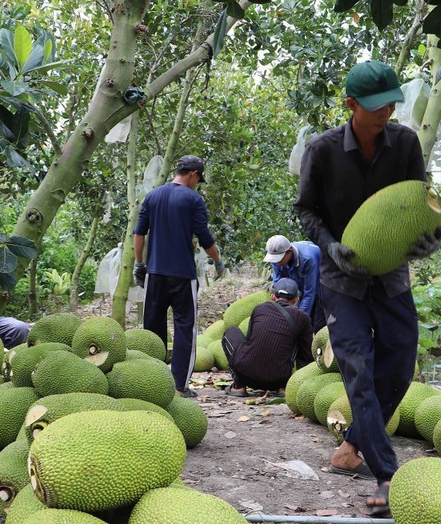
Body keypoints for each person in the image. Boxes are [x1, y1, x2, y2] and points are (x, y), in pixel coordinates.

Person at [294, 60, 441, 516]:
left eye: (391, 104)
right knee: (358, 368)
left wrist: (428, 239)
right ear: (351, 105)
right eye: (376, 107)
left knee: (400, 364)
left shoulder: (404, 144)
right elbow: (306, 211)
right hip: (342, 278)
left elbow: (421, 203)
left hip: (392, 274)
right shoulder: (322, 151)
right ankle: (386, 473)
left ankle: (354, 442)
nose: (386, 113)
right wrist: (330, 246)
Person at [133, 155, 226, 398]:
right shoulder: (193, 199)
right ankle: (179, 386)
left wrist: (139, 264)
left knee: (152, 330)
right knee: (185, 327)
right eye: (198, 179)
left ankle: (152, 383)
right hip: (183, 276)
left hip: (155, 274)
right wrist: (218, 261)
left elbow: (139, 233)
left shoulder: (152, 196)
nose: (197, 183)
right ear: (194, 173)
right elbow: (204, 238)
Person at [221, 278, 313, 397]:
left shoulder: (260, 308)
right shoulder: (303, 318)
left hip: (246, 374)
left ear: (273, 297)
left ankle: (239, 386)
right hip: (279, 379)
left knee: (231, 331)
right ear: (296, 299)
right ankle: (283, 388)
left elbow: (249, 340)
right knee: (296, 339)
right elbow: (306, 356)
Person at [264, 235, 325, 332]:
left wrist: (299, 319)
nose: (276, 262)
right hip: (303, 284)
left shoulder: (307, 259)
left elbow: (310, 292)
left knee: (317, 322)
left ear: (289, 252)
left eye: (279, 259)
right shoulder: (276, 261)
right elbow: (279, 283)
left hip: (321, 282)